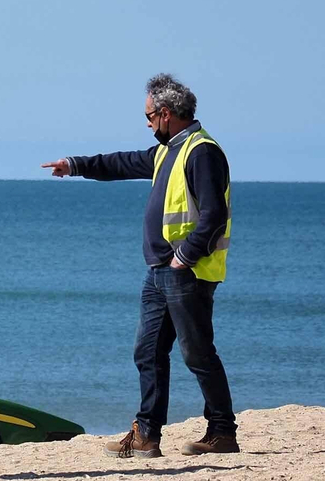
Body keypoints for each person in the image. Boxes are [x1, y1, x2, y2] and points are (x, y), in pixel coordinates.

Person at [42, 73, 239, 457]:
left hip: (187, 272)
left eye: (149, 116)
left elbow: (214, 215)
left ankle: (222, 432)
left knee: (198, 354)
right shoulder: (169, 149)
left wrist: (185, 256)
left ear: (166, 114)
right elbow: (123, 162)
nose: (147, 123)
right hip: (158, 272)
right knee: (147, 352)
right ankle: (147, 434)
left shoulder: (202, 152)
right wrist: (75, 164)